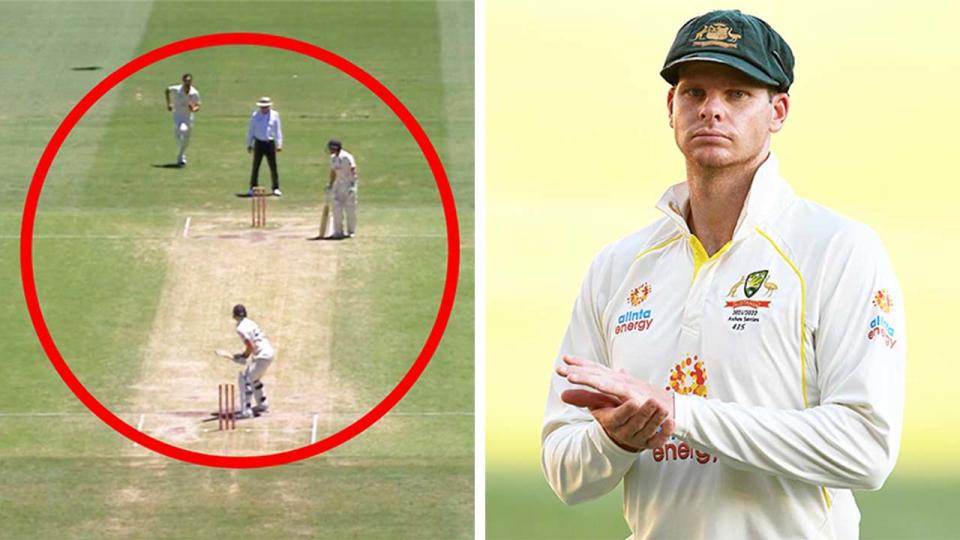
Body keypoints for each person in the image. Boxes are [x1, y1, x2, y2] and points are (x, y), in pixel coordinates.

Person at [542, 10, 905, 539]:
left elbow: (867, 450)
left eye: (737, 94)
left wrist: (680, 413)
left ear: (777, 110)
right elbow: (564, 470)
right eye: (694, 93)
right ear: (671, 107)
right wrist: (613, 441)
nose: (712, 110)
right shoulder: (619, 267)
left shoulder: (837, 250)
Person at [230, 304, 275, 418]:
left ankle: (246, 411)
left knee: (245, 380)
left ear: (234, 315)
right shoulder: (250, 322)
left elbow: (251, 346)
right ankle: (263, 404)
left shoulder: (240, 328)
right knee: (254, 378)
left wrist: (244, 356)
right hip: (269, 353)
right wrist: (244, 356)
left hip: (262, 355)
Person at [246, 96, 283, 196]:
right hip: (258, 143)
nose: (264, 109)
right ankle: (252, 188)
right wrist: (249, 143)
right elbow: (251, 130)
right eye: (262, 107)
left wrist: (279, 144)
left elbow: (277, 130)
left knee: (273, 167)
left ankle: (276, 188)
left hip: (270, 143)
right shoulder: (255, 115)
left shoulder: (275, 115)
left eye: (266, 107)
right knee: (256, 166)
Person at [164, 73, 200, 167]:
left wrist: (193, 109)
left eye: (189, 81)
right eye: (186, 81)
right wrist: (169, 103)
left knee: (186, 139)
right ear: (183, 81)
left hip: (188, 117)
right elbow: (167, 90)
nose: (188, 83)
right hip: (178, 116)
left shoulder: (194, 93)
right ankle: (181, 157)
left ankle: (181, 154)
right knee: (181, 131)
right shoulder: (177, 89)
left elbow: (198, 106)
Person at [326, 139, 359, 238]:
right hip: (338, 185)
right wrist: (330, 185)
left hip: (349, 184)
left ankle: (350, 231)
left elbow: (354, 170)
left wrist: (354, 185)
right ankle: (338, 232)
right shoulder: (333, 158)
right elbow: (333, 172)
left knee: (350, 209)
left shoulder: (347, 157)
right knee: (336, 209)